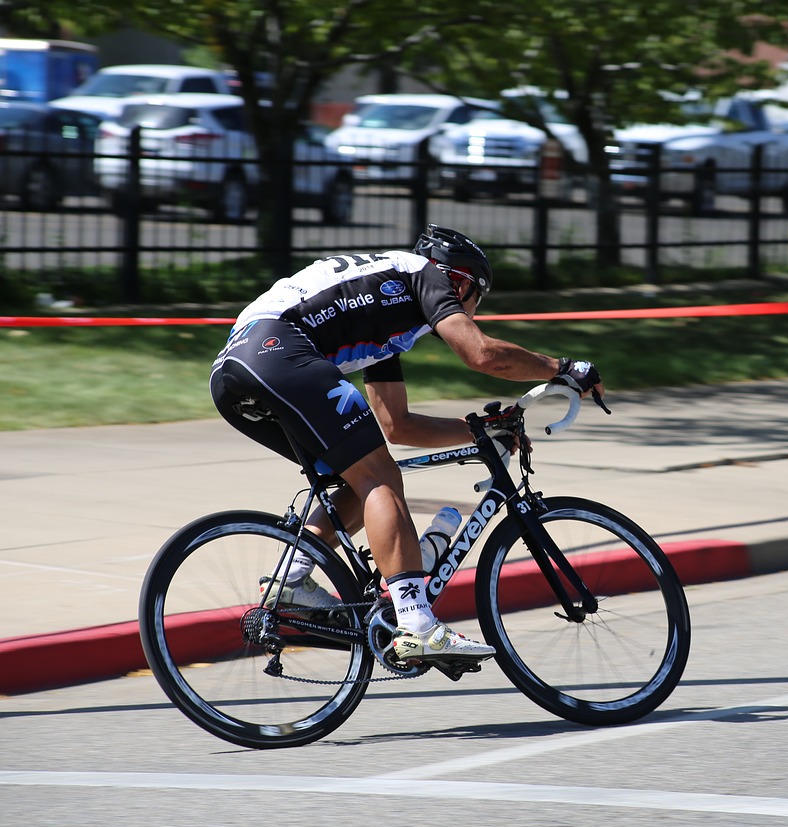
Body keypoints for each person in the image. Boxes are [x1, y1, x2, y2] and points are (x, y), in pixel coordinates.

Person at [209, 225, 604, 668]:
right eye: (476, 298)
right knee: (380, 477)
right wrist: (562, 368)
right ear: (461, 283)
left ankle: (291, 578)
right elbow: (482, 354)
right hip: (278, 350)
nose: (470, 309)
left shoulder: (388, 313)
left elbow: (397, 425)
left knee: (357, 477)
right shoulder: (425, 274)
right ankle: (417, 624)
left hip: (235, 373)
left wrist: (480, 429)